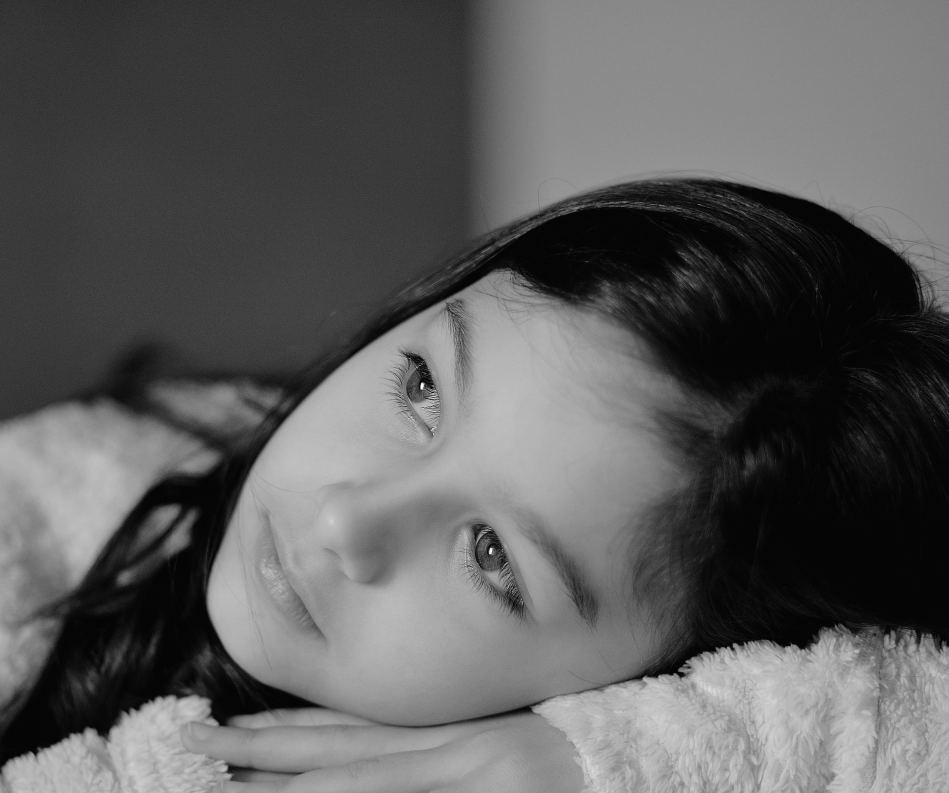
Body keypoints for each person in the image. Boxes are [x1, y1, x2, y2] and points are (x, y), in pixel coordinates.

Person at [1, 178, 948, 790]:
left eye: (492, 555)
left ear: (664, 681)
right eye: (420, 387)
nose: (345, 520)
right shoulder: (99, 476)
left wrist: (608, 764)